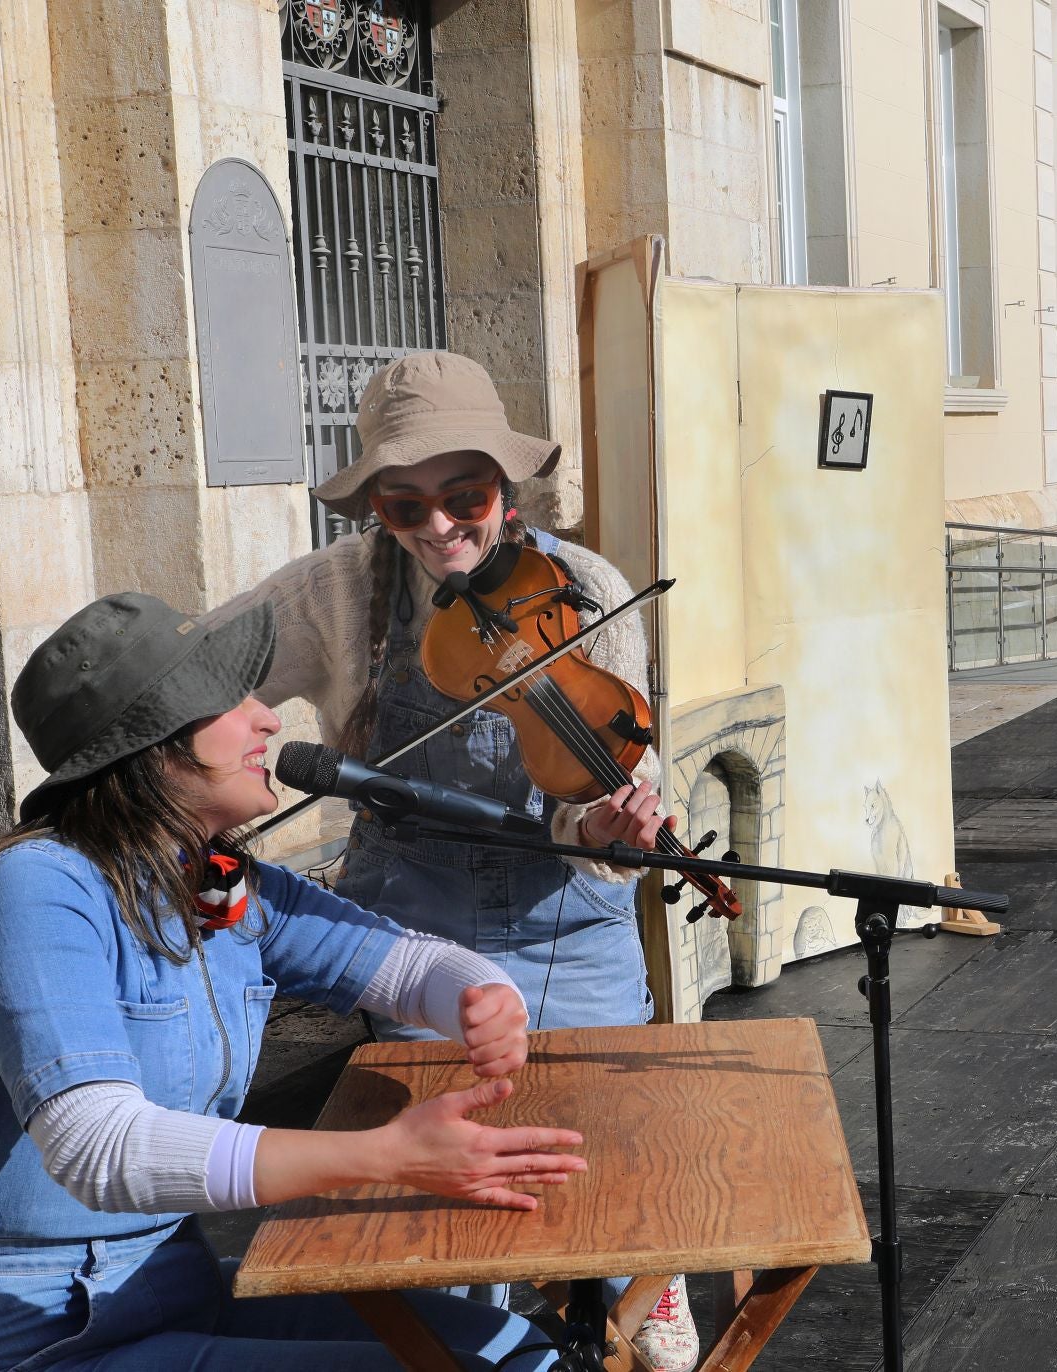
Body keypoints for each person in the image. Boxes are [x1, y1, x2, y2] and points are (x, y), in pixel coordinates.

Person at [0, 592, 585, 1371]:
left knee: (517, 1349)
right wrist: (388, 1155)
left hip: (174, 1279)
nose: (268, 720)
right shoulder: (37, 890)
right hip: (41, 1326)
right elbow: (98, 1146)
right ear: (152, 744)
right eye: (230, 702)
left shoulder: (217, 881)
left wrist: (481, 999)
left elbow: (411, 964)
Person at [212, 351, 698, 1366]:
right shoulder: (336, 590)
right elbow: (197, 673)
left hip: (569, 923)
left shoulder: (593, 589)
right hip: (412, 922)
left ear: (504, 486)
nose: (439, 527)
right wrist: (215, 777)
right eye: (405, 505)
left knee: (617, 1191)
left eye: (463, 496)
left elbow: (615, 790)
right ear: (377, 509)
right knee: (455, 1220)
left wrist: (613, 829)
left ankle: (642, 1321)